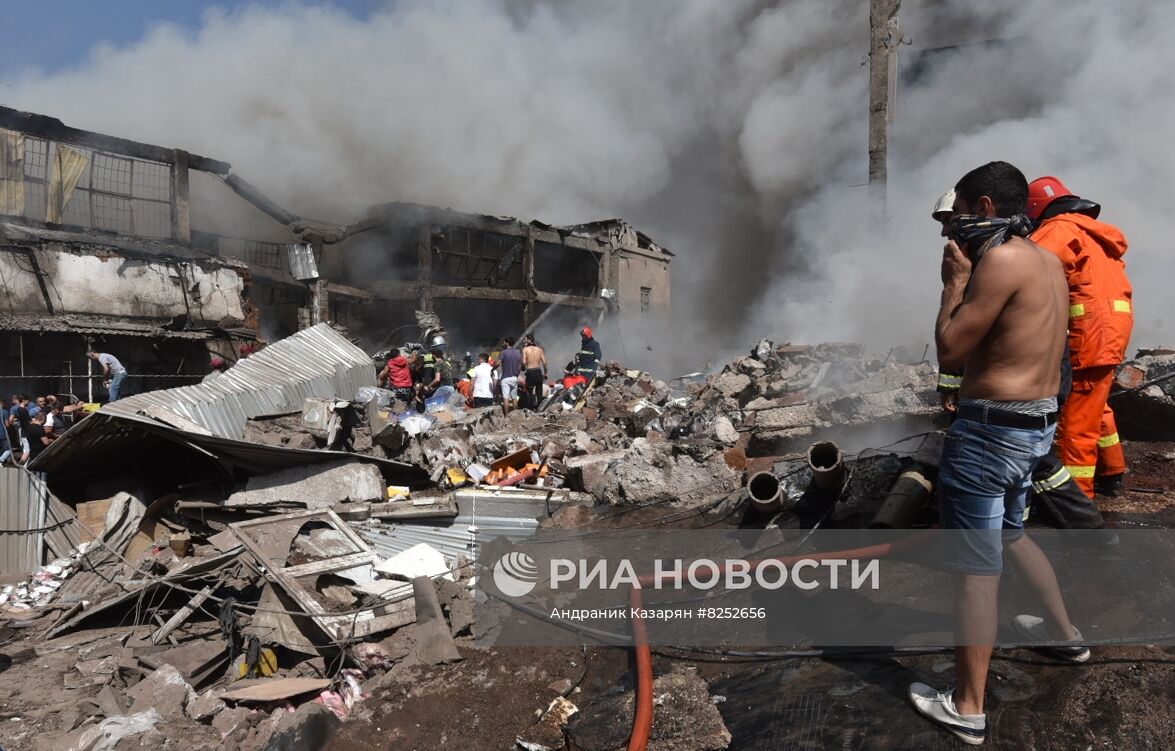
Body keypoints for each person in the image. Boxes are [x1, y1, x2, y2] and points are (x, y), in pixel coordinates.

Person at [910, 161, 1089, 746]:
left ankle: (966, 706)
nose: (953, 228)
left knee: (973, 570)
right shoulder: (1045, 259)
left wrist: (953, 285)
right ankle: (1066, 635)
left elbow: (951, 352)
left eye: (959, 211)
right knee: (1012, 534)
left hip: (990, 435)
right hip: (1033, 426)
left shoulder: (1002, 260)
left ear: (985, 206)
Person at [931, 187, 1105, 530]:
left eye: (950, 220)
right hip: (1035, 387)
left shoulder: (998, 261)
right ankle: (1017, 531)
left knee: (1034, 462)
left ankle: (1084, 529)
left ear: (980, 211)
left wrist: (953, 285)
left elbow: (958, 345)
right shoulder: (1020, 254)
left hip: (1017, 396)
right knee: (1030, 462)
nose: (946, 232)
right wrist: (950, 386)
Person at [1026, 176, 1133, 499]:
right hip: (1110, 331)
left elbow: (1029, 267)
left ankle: (1077, 500)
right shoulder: (1091, 231)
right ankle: (1112, 472)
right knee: (1095, 405)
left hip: (1089, 334)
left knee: (1076, 426)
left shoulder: (1058, 229)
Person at [520, 336, 548, 410]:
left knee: (529, 392)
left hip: (530, 372)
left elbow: (523, 362)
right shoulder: (540, 349)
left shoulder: (525, 349)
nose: (524, 341)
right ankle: (540, 409)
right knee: (539, 392)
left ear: (529, 340)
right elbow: (544, 362)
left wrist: (523, 367)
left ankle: (530, 409)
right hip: (538, 371)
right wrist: (546, 373)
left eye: (525, 340)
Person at [497, 337, 522, 412]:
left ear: (507, 343)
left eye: (504, 342)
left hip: (506, 378)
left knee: (506, 397)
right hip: (515, 378)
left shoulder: (504, 352)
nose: (503, 343)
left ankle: (507, 415)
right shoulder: (518, 352)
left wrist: (492, 369)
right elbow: (522, 364)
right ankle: (515, 414)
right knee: (514, 398)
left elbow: (497, 363)